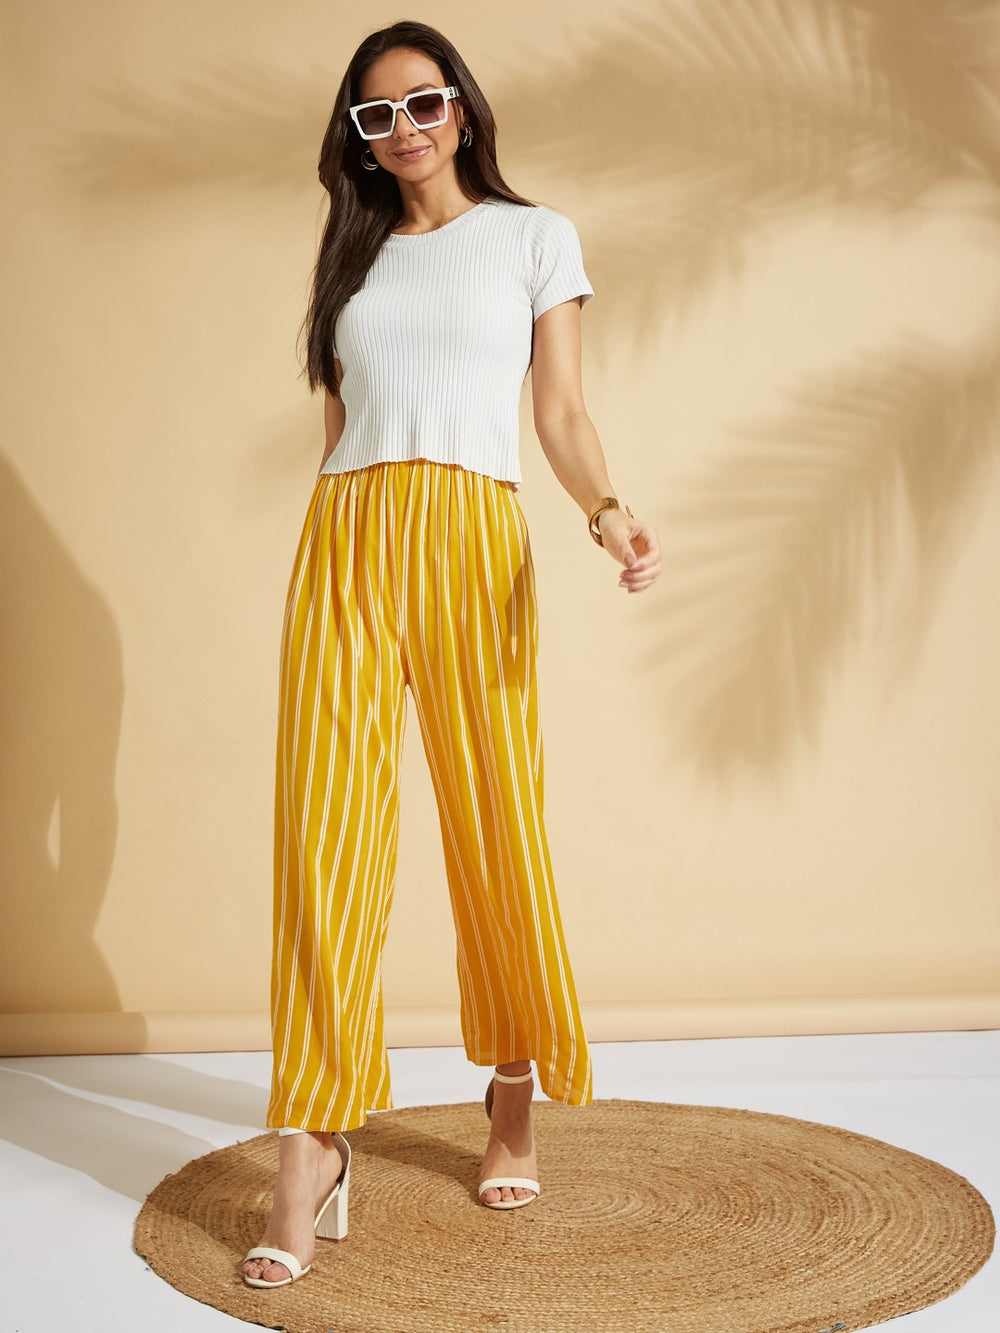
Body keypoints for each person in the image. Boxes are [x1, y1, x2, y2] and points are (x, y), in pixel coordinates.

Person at [242, 18, 662, 1289]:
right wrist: (337, 549)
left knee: (495, 821)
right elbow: (341, 428)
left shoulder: (534, 238)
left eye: (422, 102)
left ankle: (512, 1086)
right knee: (323, 837)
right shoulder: (350, 256)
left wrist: (605, 511)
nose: (404, 128)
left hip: (474, 537)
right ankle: (312, 1144)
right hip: (347, 541)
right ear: (358, 138)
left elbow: (561, 411)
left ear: (462, 108)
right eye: (376, 115)